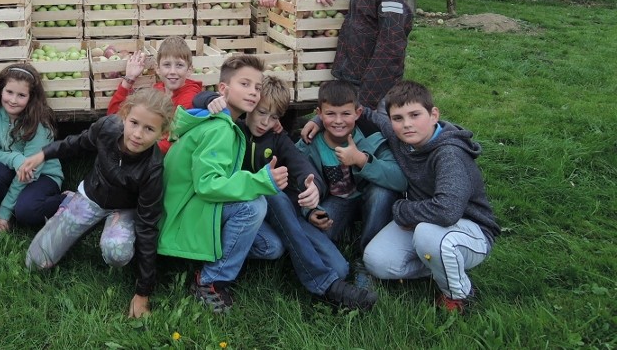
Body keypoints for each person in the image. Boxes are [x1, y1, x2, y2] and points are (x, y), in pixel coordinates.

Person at [194, 76, 378, 310]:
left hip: (268, 216)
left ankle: (325, 276)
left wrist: (311, 187)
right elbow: (195, 101)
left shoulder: (277, 137)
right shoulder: (231, 127)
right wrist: (211, 98)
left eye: (273, 117)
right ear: (250, 105)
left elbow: (301, 166)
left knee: (335, 266)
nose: (265, 122)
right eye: (261, 113)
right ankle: (323, 284)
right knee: (272, 192)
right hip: (231, 209)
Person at [21, 88, 175, 319]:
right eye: (134, 123)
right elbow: (77, 143)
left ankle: (110, 225)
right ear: (124, 116)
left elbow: (147, 227)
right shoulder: (108, 127)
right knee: (35, 262)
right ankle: (71, 204)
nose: (137, 134)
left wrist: (143, 292)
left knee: (117, 253)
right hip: (92, 196)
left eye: (149, 129)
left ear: (163, 134)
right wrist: (44, 154)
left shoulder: (152, 170)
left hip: (124, 209)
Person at [157, 54, 285, 313]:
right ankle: (209, 281)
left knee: (271, 246)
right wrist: (261, 180)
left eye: (257, 88)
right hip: (182, 213)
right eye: (245, 84)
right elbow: (207, 184)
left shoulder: (223, 123)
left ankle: (203, 256)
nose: (253, 93)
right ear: (224, 89)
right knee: (253, 206)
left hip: (189, 207)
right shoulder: (220, 130)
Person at [362, 81, 500, 313]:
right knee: (377, 261)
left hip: (470, 233)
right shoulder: (401, 137)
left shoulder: (450, 154)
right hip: (424, 223)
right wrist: (316, 121)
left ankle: (459, 295)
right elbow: (365, 113)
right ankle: (441, 267)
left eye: (415, 115)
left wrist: (401, 210)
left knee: (429, 234)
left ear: (433, 114)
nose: (407, 124)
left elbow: (447, 211)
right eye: (398, 118)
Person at [296, 80, 407, 283]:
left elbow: (400, 180)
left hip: (370, 197)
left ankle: (366, 261)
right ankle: (343, 232)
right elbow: (296, 182)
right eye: (330, 114)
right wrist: (310, 211)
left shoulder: (373, 137)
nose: (338, 121)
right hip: (338, 200)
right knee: (317, 239)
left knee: (382, 193)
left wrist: (361, 160)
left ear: (358, 113)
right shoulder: (309, 144)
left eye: (346, 114)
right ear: (319, 113)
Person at [0, 64, 63, 232]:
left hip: (42, 174)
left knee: (27, 212)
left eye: (21, 95)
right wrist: (16, 159)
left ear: (31, 97)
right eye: (9, 92)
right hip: (15, 169)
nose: (13, 100)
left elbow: (31, 171)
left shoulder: (39, 123)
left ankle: (68, 201)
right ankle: (14, 211)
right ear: (1, 90)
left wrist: (3, 212)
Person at [106, 37, 203, 154]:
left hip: (163, 159)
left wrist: (138, 147)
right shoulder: (157, 91)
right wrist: (129, 79)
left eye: (179, 65)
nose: (173, 71)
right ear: (157, 69)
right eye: (167, 65)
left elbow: (173, 140)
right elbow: (113, 118)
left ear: (189, 70)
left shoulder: (189, 100)